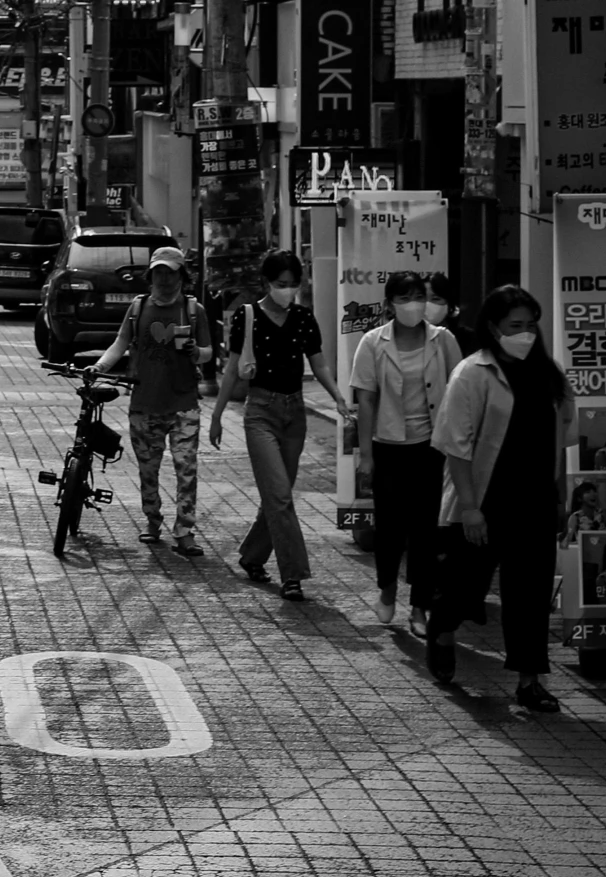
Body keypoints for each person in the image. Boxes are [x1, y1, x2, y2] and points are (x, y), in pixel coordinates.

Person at [426, 283, 577, 714]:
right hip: (484, 498)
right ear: (493, 327)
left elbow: (561, 444)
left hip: (534, 499)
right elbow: (456, 447)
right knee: (465, 585)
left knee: (529, 594)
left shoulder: (549, 376)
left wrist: (561, 499)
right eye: (516, 326)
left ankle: (530, 681)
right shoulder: (473, 373)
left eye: (531, 325)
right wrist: (471, 508)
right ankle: (442, 627)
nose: (525, 333)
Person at [209, 250, 351, 603]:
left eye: (292, 284)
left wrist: (337, 396)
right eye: (280, 284)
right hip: (260, 412)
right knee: (280, 495)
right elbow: (231, 368)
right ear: (266, 283)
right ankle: (293, 575)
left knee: (278, 496)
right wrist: (216, 415)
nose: (287, 291)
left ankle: (252, 556)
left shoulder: (304, 318)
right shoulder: (248, 317)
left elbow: (318, 364)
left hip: (295, 413)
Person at [350, 269, 461, 632]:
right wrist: (365, 455)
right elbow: (365, 401)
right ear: (389, 304)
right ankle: (387, 588)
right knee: (390, 528)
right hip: (388, 447)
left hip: (430, 447)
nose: (414, 305)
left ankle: (419, 607)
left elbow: (459, 393)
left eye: (418, 297)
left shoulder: (442, 340)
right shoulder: (372, 342)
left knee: (426, 529)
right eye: (404, 298)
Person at [94, 247, 214, 556]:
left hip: (184, 402)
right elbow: (121, 342)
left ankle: (185, 530)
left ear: (181, 276)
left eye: (170, 272)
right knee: (148, 469)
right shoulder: (138, 308)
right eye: (159, 272)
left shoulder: (193, 309)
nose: (164, 278)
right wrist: (101, 367)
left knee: (186, 467)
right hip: (144, 402)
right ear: (151, 275)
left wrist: (194, 353)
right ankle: (152, 521)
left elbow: (209, 351)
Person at [424, 273, 475, 356]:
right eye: (423, 299)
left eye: (435, 299)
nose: (428, 304)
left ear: (449, 303)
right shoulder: (409, 337)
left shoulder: (468, 338)